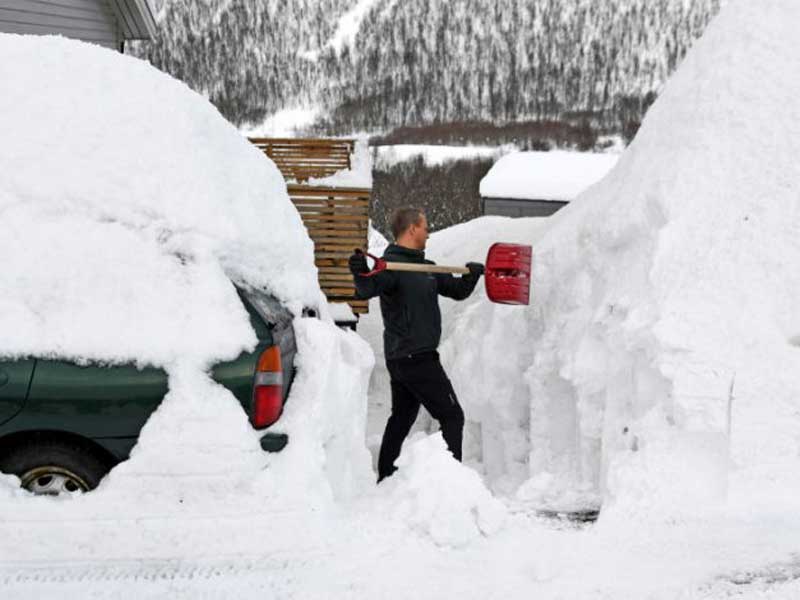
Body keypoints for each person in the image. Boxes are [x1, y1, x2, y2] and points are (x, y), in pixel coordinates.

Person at [349, 208, 484, 482]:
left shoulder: (425, 268)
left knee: (402, 416)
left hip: (404, 358)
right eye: (425, 226)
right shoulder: (390, 268)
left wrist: (471, 276)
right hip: (415, 357)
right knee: (452, 416)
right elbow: (366, 289)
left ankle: (386, 475)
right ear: (412, 229)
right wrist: (360, 273)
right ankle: (451, 482)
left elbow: (457, 291)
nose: (428, 232)